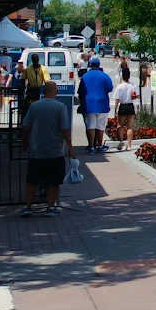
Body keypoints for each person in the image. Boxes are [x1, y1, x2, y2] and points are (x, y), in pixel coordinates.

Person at [19, 80, 73, 216]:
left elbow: (25, 127)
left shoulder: (34, 106)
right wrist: (70, 146)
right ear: (55, 92)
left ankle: (28, 207)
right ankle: (50, 207)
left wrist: (25, 143)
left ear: (43, 92)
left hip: (36, 150)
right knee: (54, 182)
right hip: (55, 151)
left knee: (32, 181)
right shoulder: (60, 107)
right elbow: (65, 129)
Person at [79, 55, 114, 153]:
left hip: (89, 104)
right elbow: (110, 88)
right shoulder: (104, 75)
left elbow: (81, 91)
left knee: (90, 125)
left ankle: (91, 146)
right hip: (102, 104)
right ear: (99, 65)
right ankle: (99, 145)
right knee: (100, 126)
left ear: (90, 65)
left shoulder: (85, 76)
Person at [111, 64, 138, 152]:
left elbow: (117, 99)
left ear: (122, 75)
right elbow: (135, 96)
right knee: (129, 127)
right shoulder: (132, 85)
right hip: (130, 106)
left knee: (120, 125)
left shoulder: (119, 86)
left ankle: (121, 141)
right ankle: (129, 144)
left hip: (122, 106)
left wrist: (115, 110)